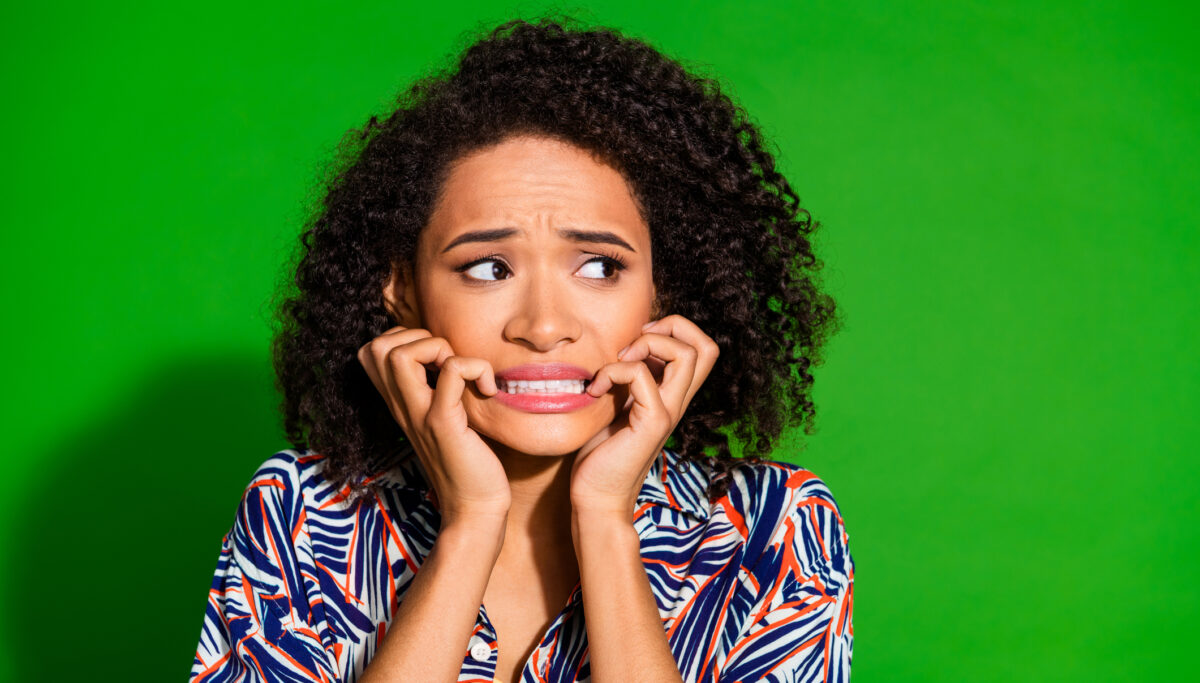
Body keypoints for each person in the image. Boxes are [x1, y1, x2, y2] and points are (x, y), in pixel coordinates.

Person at [189, 16, 853, 683]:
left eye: (598, 266)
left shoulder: (775, 531)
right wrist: (469, 527)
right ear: (403, 290)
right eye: (488, 268)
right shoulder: (303, 513)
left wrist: (606, 519)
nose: (543, 326)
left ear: (660, 290)